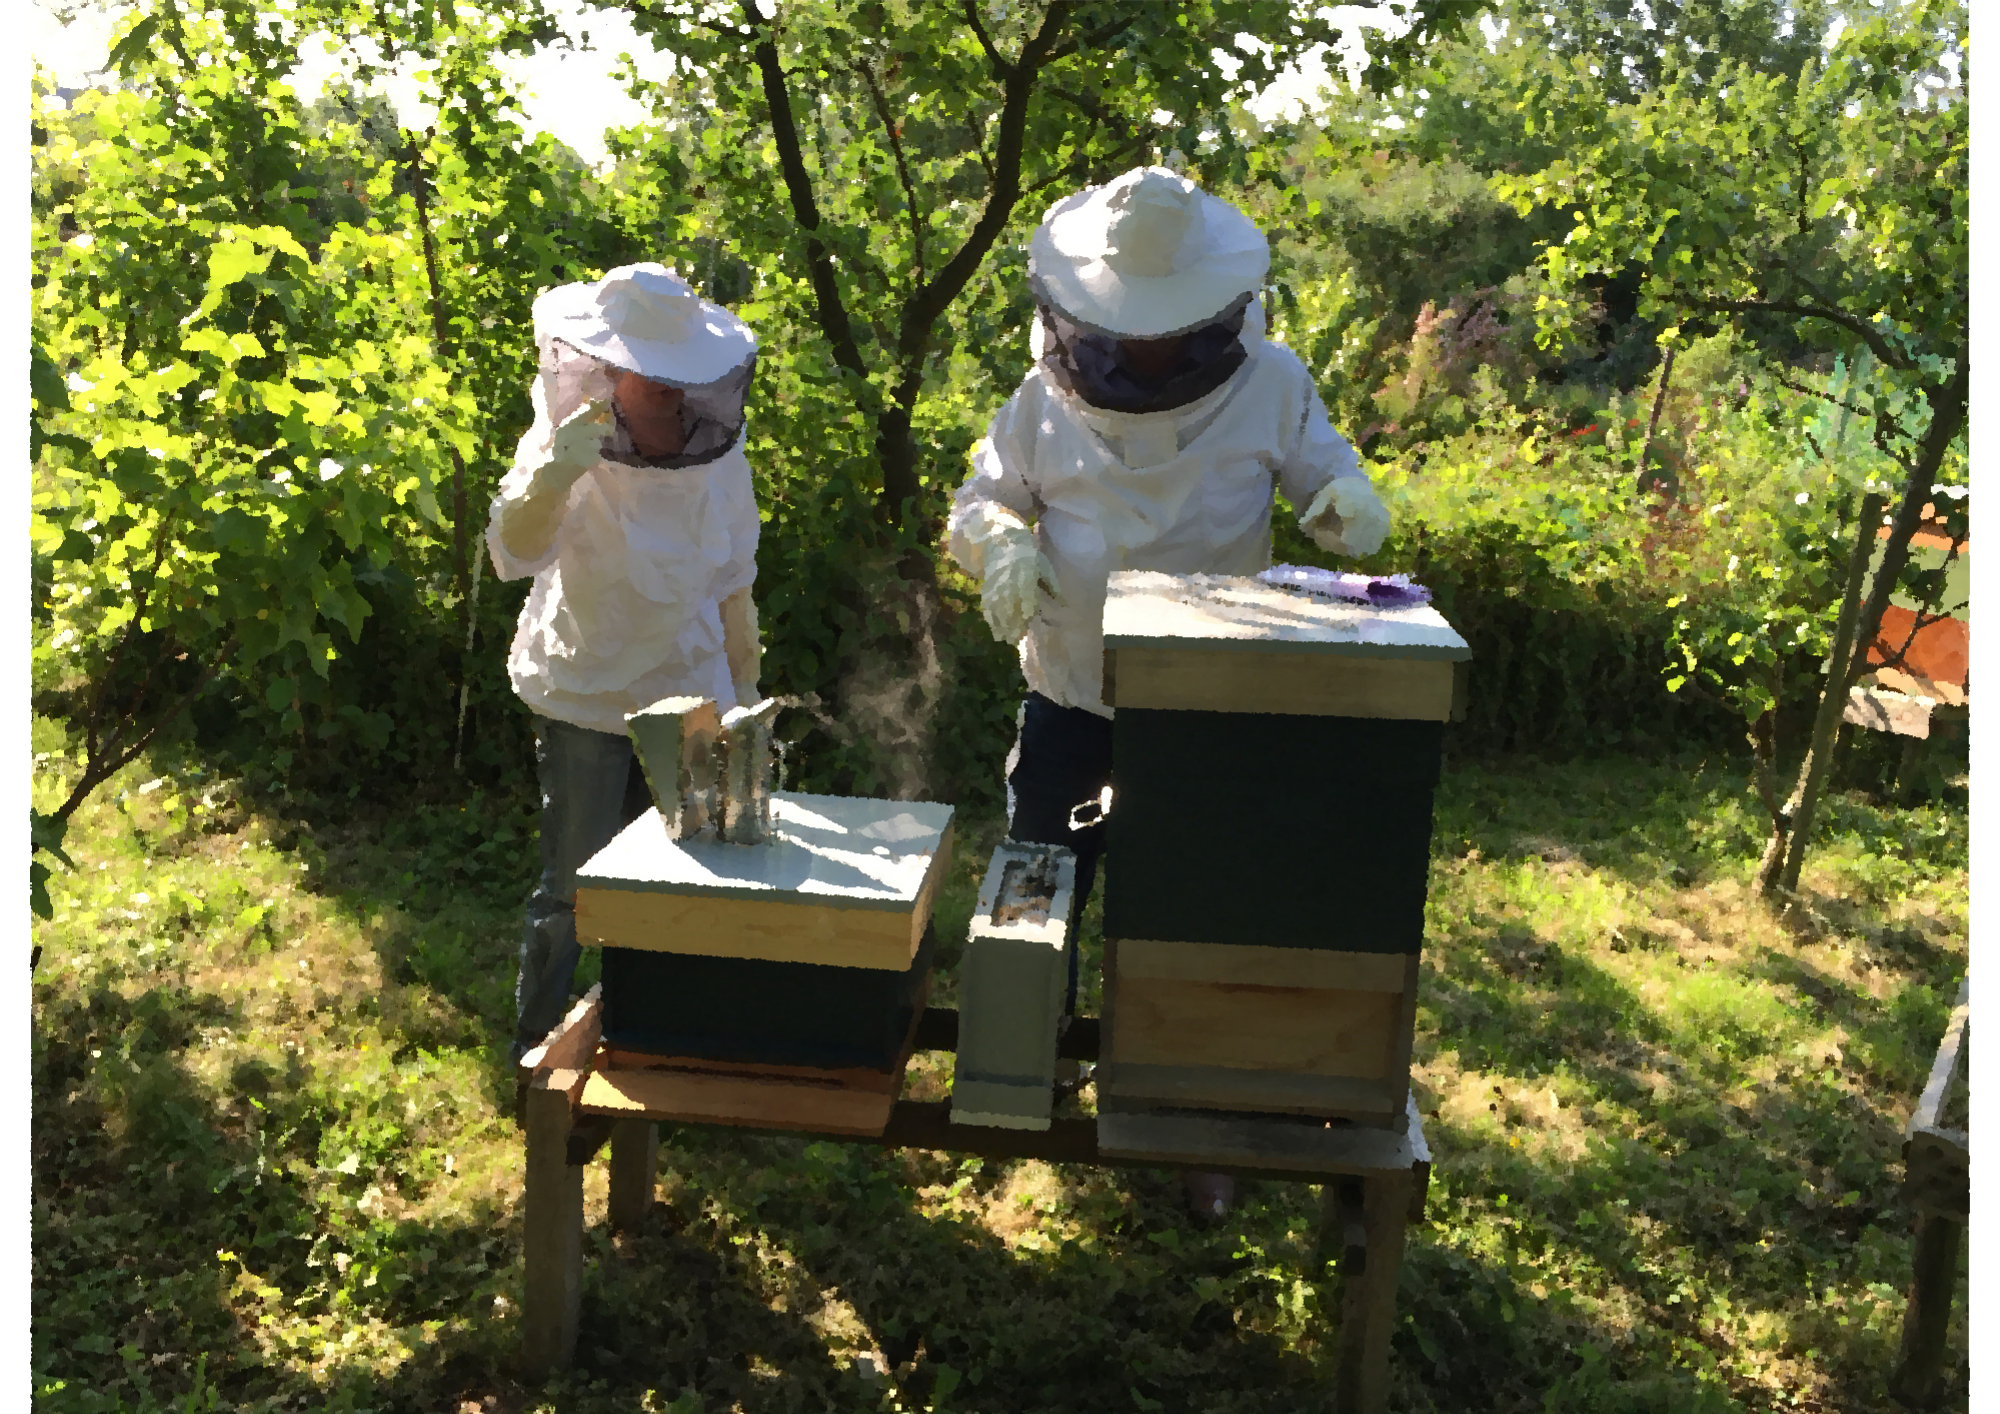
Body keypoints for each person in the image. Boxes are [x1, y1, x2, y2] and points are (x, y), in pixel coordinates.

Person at [946, 167, 1391, 1221]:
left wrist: (1343, 498)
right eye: (1117, 327)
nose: (1140, 350)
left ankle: (1196, 1120)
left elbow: (1326, 469)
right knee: (1036, 894)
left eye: (1163, 328)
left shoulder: (1273, 382)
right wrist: (999, 540)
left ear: (1212, 309)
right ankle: (1028, 1081)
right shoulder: (1037, 398)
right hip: (1067, 698)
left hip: (1209, 707)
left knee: (1195, 914)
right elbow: (977, 499)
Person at [488, 262, 764, 1068]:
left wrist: (744, 691)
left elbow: (734, 574)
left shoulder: (719, 452)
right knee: (570, 891)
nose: (677, 391)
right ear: (609, 369)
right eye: (657, 376)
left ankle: (657, 1044)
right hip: (583, 690)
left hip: (688, 693)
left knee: (682, 887)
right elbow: (514, 553)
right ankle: (536, 1056)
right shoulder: (565, 437)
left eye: (685, 374)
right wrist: (550, 478)